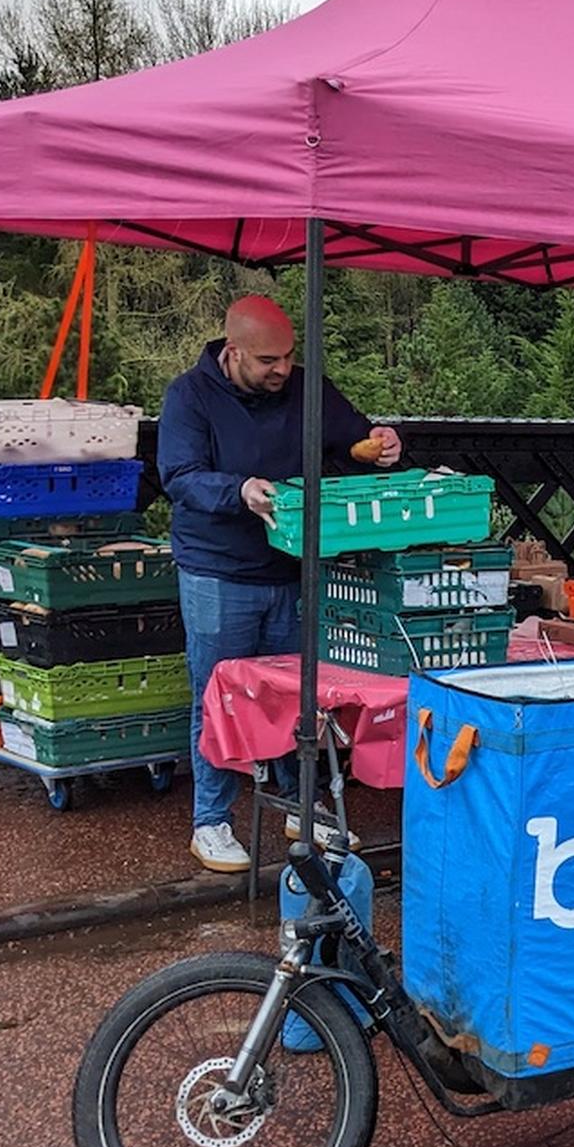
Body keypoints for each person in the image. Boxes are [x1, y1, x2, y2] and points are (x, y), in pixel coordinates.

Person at [158, 295, 400, 873]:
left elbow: (354, 443)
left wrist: (382, 445)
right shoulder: (188, 396)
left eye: (289, 357)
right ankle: (210, 820)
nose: (282, 370)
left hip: (295, 567)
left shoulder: (307, 387)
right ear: (233, 351)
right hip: (219, 568)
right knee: (217, 692)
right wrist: (239, 491)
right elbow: (180, 477)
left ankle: (300, 802)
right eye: (269, 360)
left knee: (301, 692)